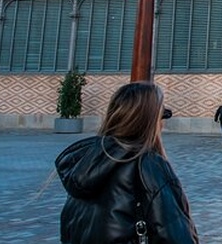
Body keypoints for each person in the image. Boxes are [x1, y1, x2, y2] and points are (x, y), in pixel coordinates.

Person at [55, 82, 198, 243]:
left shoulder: (85, 162)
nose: (162, 124)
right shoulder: (147, 165)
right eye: (160, 117)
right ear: (150, 121)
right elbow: (176, 236)